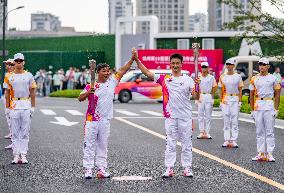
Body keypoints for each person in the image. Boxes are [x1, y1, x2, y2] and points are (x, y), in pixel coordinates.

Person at [133, 50, 199, 178]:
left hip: (185, 117)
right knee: (170, 143)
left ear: (182, 64)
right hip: (170, 117)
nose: (175, 65)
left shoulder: (188, 80)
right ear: (170, 64)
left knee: (187, 143)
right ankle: (169, 168)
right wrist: (137, 60)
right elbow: (147, 72)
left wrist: (197, 86)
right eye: (173, 63)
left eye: (177, 63)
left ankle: (187, 168)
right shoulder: (165, 78)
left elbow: (196, 96)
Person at [78, 50, 135, 179]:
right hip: (91, 120)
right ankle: (88, 169)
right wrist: (89, 93)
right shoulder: (91, 85)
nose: (107, 73)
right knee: (89, 145)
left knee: (103, 145)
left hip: (105, 120)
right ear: (97, 73)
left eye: (108, 70)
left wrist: (132, 60)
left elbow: (122, 70)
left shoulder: (112, 82)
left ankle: (101, 169)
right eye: (104, 71)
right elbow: (80, 98)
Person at [5, 53, 37, 164]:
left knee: (24, 132)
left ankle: (23, 155)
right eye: (17, 61)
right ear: (14, 62)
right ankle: (15, 155)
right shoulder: (9, 76)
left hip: (25, 104)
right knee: (15, 132)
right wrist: (7, 107)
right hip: (14, 104)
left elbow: (32, 92)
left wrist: (33, 107)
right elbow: (7, 92)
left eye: (20, 61)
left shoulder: (29, 75)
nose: (18, 63)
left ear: (24, 62)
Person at [250, 58, 281, 162]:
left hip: (269, 104)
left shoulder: (273, 78)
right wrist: (252, 110)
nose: (262, 66)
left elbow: (277, 94)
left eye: (264, 64)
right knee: (259, 131)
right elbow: (251, 94)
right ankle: (260, 153)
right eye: (260, 64)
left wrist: (276, 109)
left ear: (268, 66)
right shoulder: (254, 78)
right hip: (258, 105)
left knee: (269, 131)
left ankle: (270, 153)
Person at [218, 58, 243, 148]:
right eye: (227, 64)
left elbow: (240, 90)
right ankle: (226, 140)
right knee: (226, 120)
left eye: (230, 64)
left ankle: (233, 140)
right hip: (226, 98)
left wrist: (240, 101)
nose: (228, 66)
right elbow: (220, 90)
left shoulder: (238, 76)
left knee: (234, 120)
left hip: (235, 98)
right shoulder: (222, 76)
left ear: (233, 66)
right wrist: (221, 101)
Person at [197, 62, 217, 139]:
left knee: (208, 115)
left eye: (205, 67)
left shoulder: (211, 77)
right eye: (203, 67)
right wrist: (197, 98)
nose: (204, 68)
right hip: (201, 95)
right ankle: (201, 132)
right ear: (201, 68)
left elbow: (214, 87)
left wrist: (212, 97)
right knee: (200, 115)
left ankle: (207, 132)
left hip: (208, 95)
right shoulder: (198, 77)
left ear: (208, 68)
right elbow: (196, 88)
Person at [3, 59, 15, 149]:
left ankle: (15, 142)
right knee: (9, 119)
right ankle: (12, 136)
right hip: (8, 99)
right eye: (7, 64)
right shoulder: (7, 75)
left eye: (9, 64)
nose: (7, 66)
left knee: (14, 121)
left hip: (14, 101)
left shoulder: (15, 75)